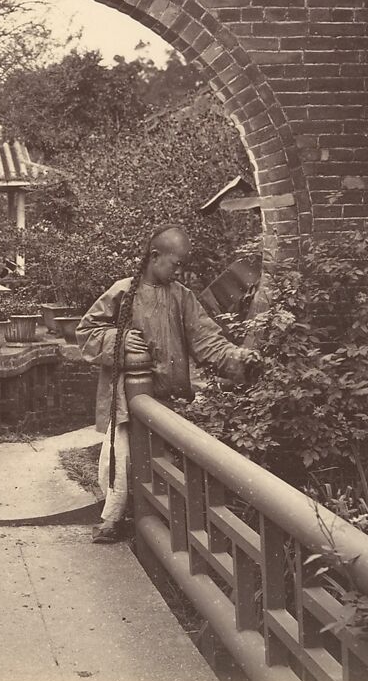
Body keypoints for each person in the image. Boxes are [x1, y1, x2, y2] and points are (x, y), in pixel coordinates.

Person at [77, 225, 261, 543]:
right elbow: (86, 332)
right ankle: (113, 518)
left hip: (168, 400)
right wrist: (117, 340)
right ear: (154, 257)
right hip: (127, 399)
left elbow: (207, 341)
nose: (179, 271)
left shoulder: (182, 297)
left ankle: (161, 527)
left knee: (165, 463)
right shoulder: (123, 292)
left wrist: (240, 360)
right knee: (121, 459)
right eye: (175, 263)